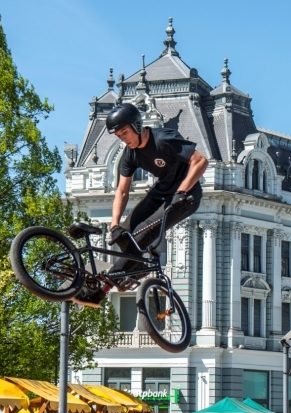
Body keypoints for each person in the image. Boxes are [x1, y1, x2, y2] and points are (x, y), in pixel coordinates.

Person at [74, 102, 207, 306]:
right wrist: (114, 225)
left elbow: (200, 161)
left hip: (185, 198)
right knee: (124, 233)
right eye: (119, 136)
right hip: (160, 192)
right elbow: (122, 191)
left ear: (137, 125)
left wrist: (182, 191)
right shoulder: (130, 153)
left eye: (125, 133)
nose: (124, 139)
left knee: (142, 235)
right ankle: (136, 269)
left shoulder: (163, 139)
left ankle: (100, 292)